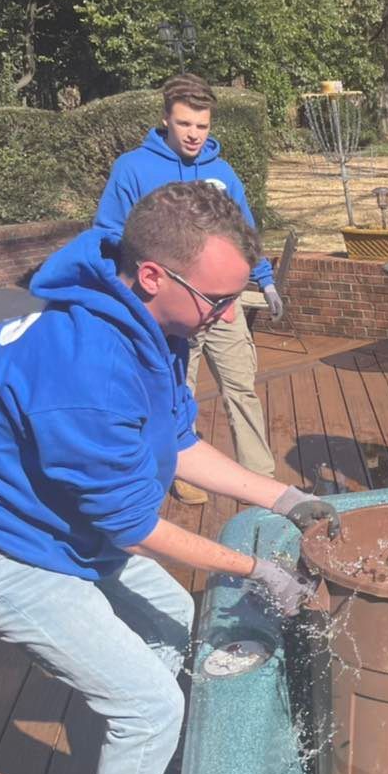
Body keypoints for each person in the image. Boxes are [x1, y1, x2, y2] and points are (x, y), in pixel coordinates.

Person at [0, 182, 334, 774]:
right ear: (153, 277)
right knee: (146, 703)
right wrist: (258, 568)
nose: (228, 313)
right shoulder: (86, 369)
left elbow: (176, 443)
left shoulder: (155, 327)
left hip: (48, 519)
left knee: (182, 627)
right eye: (217, 298)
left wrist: (282, 499)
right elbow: (136, 525)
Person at [94, 73, 282, 504]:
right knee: (177, 392)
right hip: (170, 310)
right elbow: (108, 232)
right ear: (166, 120)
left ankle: (260, 475)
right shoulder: (133, 169)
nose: (194, 134)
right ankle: (185, 471)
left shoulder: (222, 173)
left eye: (202, 125)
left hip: (223, 307)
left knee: (242, 389)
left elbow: (244, 234)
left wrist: (264, 280)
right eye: (185, 124)